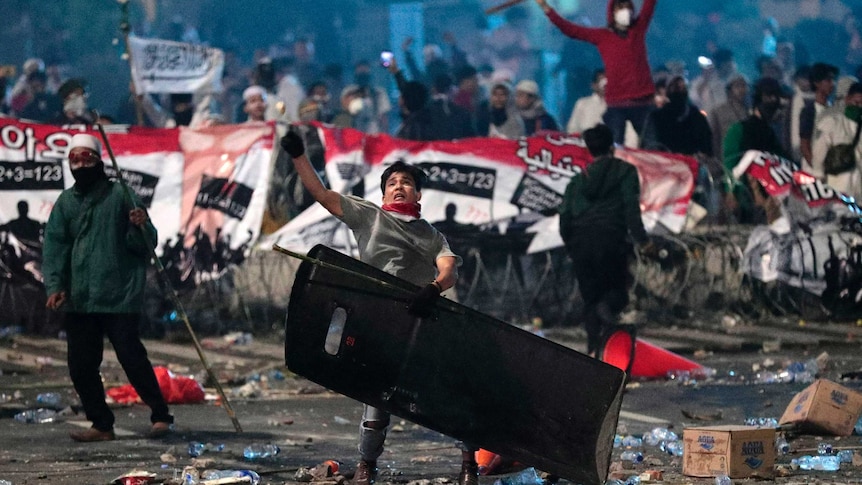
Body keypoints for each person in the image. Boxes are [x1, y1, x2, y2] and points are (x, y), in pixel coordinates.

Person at [279, 131, 477, 485]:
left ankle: (468, 464)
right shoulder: (367, 215)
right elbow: (322, 194)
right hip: (378, 316)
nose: (399, 187)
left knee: (449, 392)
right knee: (377, 395)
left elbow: (449, 270)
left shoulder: (432, 234)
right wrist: (298, 157)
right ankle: (367, 465)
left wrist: (433, 289)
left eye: (407, 183)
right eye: (393, 183)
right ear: (384, 192)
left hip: (422, 315)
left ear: (418, 194)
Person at [42, 134, 174, 442]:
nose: (81, 164)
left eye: (87, 157)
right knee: (81, 365)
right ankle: (101, 424)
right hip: (80, 298)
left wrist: (139, 224)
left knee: (131, 357)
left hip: (118, 295)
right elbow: (55, 247)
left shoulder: (122, 195)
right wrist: (55, 285)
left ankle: (160, 415)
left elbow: (146, 244)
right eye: (75, 159)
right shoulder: (66, 203)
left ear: (100, 161)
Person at [558, 124, 649, 356]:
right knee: (616, 294)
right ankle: (610, 333)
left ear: (589, 150)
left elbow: (565, 218)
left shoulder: (578, 181)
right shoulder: (625, 172)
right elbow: (631, 210)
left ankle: (593, 352)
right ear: (612, 147)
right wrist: (642, 240)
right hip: (611, 240)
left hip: (580, 242)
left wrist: (571, 245)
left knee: (590, 298)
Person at [536, 0, 656, 145]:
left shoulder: (638, 29)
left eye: (628, 7)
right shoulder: (602, 36)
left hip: (642, 100)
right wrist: (546, 8)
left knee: (652, 146)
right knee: (613, 146)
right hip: (616, 102)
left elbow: (649, 4)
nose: (626, 11)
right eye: (621, 7)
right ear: (612, 12)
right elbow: (570, 30)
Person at [722, 78, 788, 225]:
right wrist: (731, 192)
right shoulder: (739, 130)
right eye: (769, 97)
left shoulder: (771, 131)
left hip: (772, 198)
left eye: (776, 97)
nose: (773, 101)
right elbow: (731, 163)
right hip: (747, 197)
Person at [812, 82, 862, 200]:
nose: (859, 107)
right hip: (837, 189)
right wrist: (819, 181)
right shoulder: (831, 122)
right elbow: (819, 154)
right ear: (847, 99)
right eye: (856, 102)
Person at [640, 76, 713, 156]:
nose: (680, 90)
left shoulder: (696, 116)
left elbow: (706, 145)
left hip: (694, 164)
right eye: (676, 88)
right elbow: (650, 145)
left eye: (682, 88)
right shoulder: (656, 117)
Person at [799, 63, 838, 166]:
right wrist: (816, 168)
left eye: (833, 80)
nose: (832, 84)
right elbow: (805, 144)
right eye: (828, 80)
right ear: (817, 83)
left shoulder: (834, 109)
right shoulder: (809, 111)